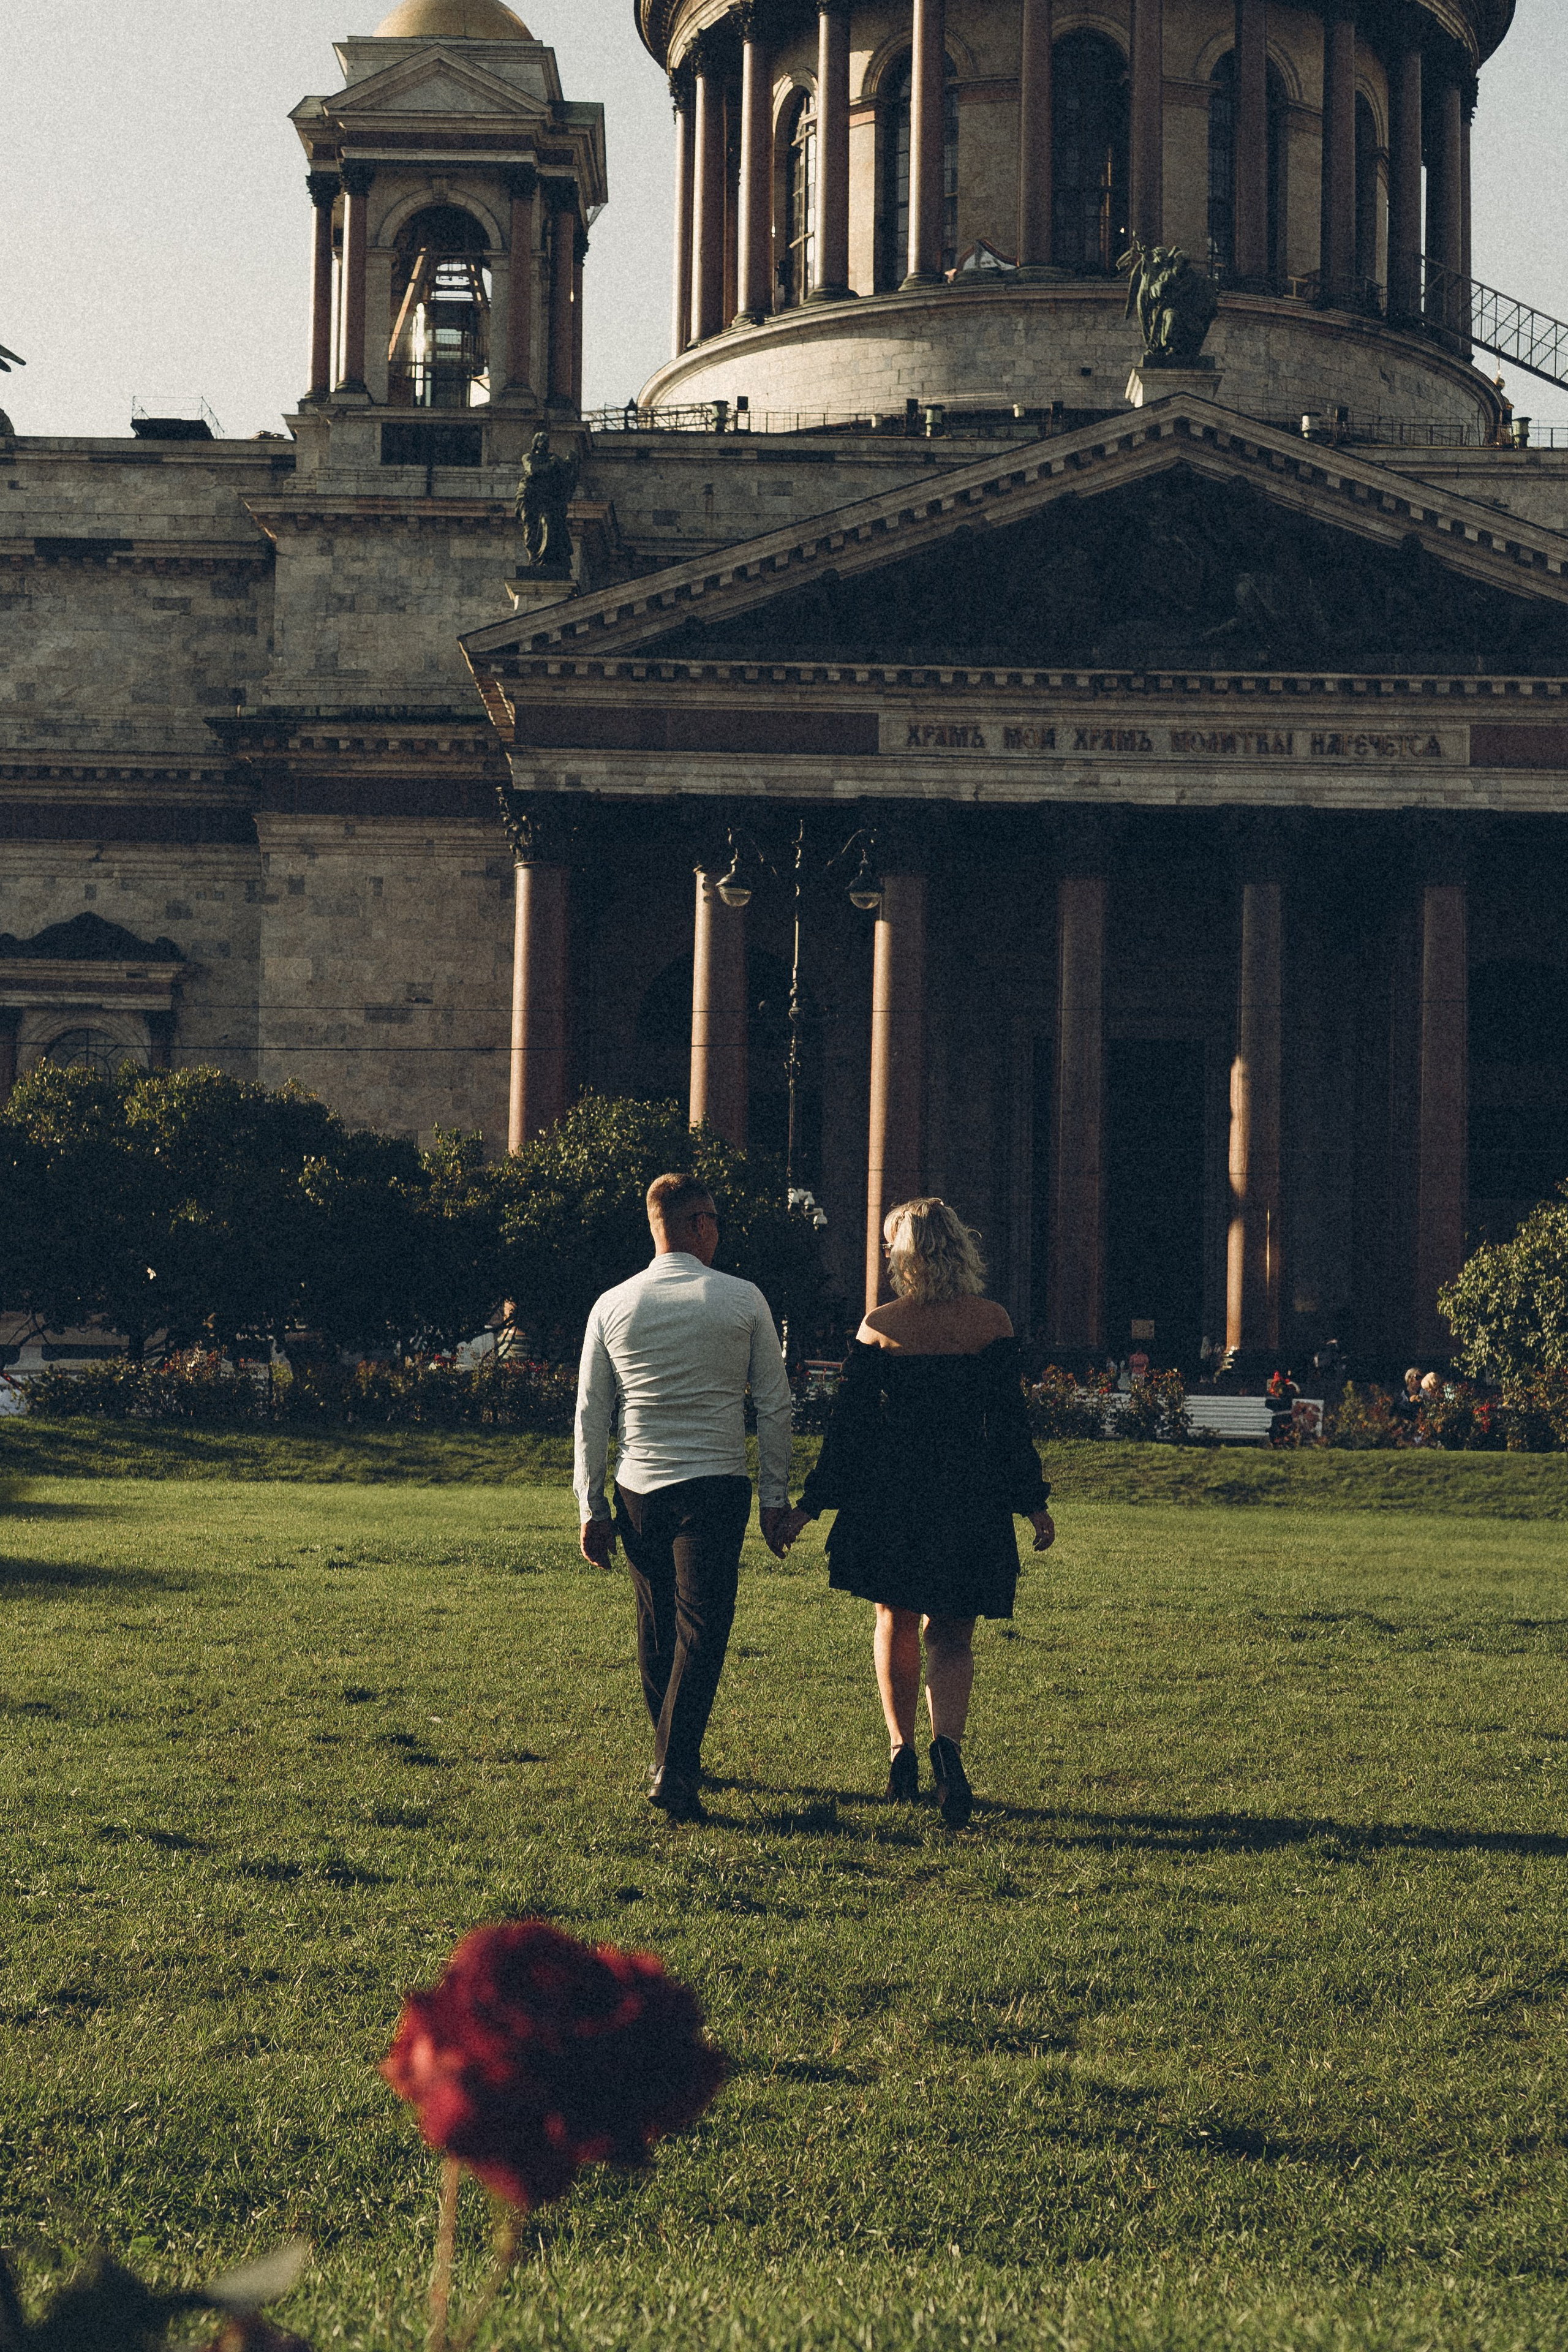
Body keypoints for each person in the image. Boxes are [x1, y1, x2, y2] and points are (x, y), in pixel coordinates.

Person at [777, 1197, 1055, 1828]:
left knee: (894, 1619)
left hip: (890, 1494)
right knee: (952, 1633)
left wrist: (811, 1506)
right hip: (969, 1494)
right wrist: (1031, 1503)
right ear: (960, 1247)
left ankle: (901, 1751)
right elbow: (1009, 1426)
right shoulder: (992, 1322)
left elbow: (849, 1431)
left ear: (901, 1255)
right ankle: (947, 1754)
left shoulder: (880, 1324)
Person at [574, 1172, 794, 1825]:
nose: (718, 1231)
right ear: (697, 1223)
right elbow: (775, 1405)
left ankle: (671, 1753)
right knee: (703, 1629)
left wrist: (591, 1506)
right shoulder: (742, 1299)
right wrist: (775, 1497)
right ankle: (675, 1764)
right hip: (715, 1481)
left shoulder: (613, 1303)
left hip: (638, 1484)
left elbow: (592, 1412)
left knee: (657, 1624)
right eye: (715, 1219)